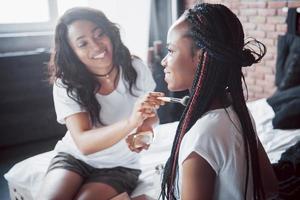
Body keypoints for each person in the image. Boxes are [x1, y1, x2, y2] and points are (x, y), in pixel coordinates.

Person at [37, 7, 163, 200]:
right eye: (83, 43)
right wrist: (131, 123)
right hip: (74, 158)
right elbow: (84, 144)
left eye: (99, 34)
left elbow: (151, 116)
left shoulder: (135, 68)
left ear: (110, 33)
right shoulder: (66, 83)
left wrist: (144, 130)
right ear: (72, 52)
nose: (96, 47)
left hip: (120, 166)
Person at [159, 3, 278, 200]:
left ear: (200, 57)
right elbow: (271, 186)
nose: (164, 61)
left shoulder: (201, 137)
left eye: (171, 51)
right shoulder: (237, 110)